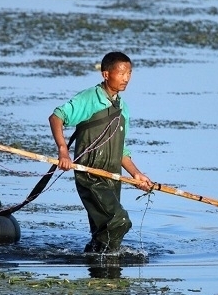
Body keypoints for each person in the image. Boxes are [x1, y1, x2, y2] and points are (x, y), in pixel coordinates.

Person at [48, 51, 153, 253]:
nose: (126, 78)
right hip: (90, 176)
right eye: (121, 73)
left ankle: (97, 261)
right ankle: (103, 260)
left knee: (103, 230)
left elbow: (121, 149)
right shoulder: (89, 99)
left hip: (112, 178)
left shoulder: (123, 108)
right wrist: (63, 151)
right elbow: (56, 117)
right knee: (119, 221)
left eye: (129, 73)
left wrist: (136, 174)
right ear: (106, 74)